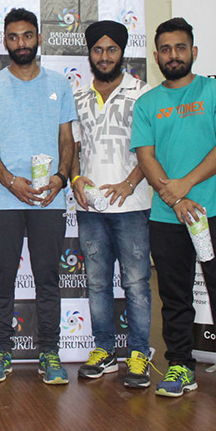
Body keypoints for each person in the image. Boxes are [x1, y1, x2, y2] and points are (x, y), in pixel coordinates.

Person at [131, 16, 216, 409]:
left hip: (215, 213)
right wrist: (175, 198)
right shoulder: (147, 104)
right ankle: (181, 366)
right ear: (156, 56)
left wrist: (185, 184)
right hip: (167, 217)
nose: (173, 55)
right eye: (166, 49)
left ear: (193, 51)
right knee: (174, 296)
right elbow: (146, 158)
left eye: (180, 47)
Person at [0, 8, 76, 385]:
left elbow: (67, 139)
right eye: (14, 37)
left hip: (49, 199)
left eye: (27, 36)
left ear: (39, 38)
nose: (21, 43)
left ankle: (50, 353)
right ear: (5, 41)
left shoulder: (59, 84)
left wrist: (61, 179)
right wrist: (9, 181)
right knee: (2, 277)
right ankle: (0, 351)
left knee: (48, 278)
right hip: (3, 200)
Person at [70, 20, 153, 388]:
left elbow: (152, 148)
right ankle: (103, 350)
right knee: (97, 283)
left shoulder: (143, 93)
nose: (104, 57)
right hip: (90, 209)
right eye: (98, 50)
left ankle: (139, 354)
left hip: (132, 205)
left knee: (136, 284)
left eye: (111, 50)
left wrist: (129, 183)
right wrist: (74, 179)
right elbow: (71, 147)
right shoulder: (78, 96)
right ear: (90, 54)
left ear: (122, 52)